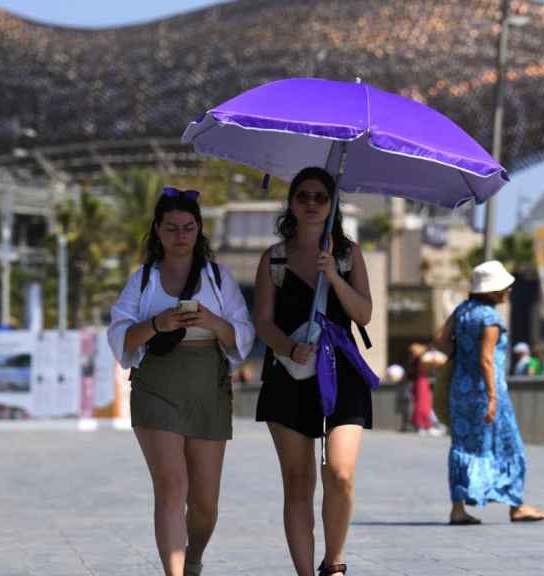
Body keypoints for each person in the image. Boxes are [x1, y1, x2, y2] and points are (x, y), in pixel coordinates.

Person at [107, 187, 253, 576]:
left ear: (199, 229)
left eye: (188, 227)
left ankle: (193, 558)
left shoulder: (218, 278)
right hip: (157, 384)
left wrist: (211, 321)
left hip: (209, 387)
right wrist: (158, 323)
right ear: (157, 230)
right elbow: (120, 337)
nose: (180, 236)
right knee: (171, 488)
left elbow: (243, 335)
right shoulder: (142, 281)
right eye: (171, 228)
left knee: (205, 506)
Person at [253, 167, 374, 576]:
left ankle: (333, 563)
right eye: (302, 195)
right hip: (289, 374)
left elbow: (364, 313)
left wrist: (334, 278)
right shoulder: (275, 258)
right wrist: (288, 347)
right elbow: (262, 322)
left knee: (339, 472)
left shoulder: (346, 254)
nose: (310, 203)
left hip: (343, 372)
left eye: (320, 196)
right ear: (291, 202)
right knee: (299, 482)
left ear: (332, 204)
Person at [435, 261, 544, 525]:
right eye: (504, 287)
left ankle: (458, 509)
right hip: (487, 391)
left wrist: (460, 357)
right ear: (493, 291)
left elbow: (439, 339)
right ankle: (515, 506)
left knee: (462, 447)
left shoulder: (463, 311)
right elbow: (487, 360)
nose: (508, 291)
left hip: (460, 391)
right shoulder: (490, 318)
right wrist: (493, 397)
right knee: (509, 445)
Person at [407, 343, 434, 433]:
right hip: (421, 381)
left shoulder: (416, 360)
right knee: (422, 404)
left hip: (421, 381)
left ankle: (422, 425)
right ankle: (422, 425)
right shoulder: (420, 360)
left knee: (422, 403)